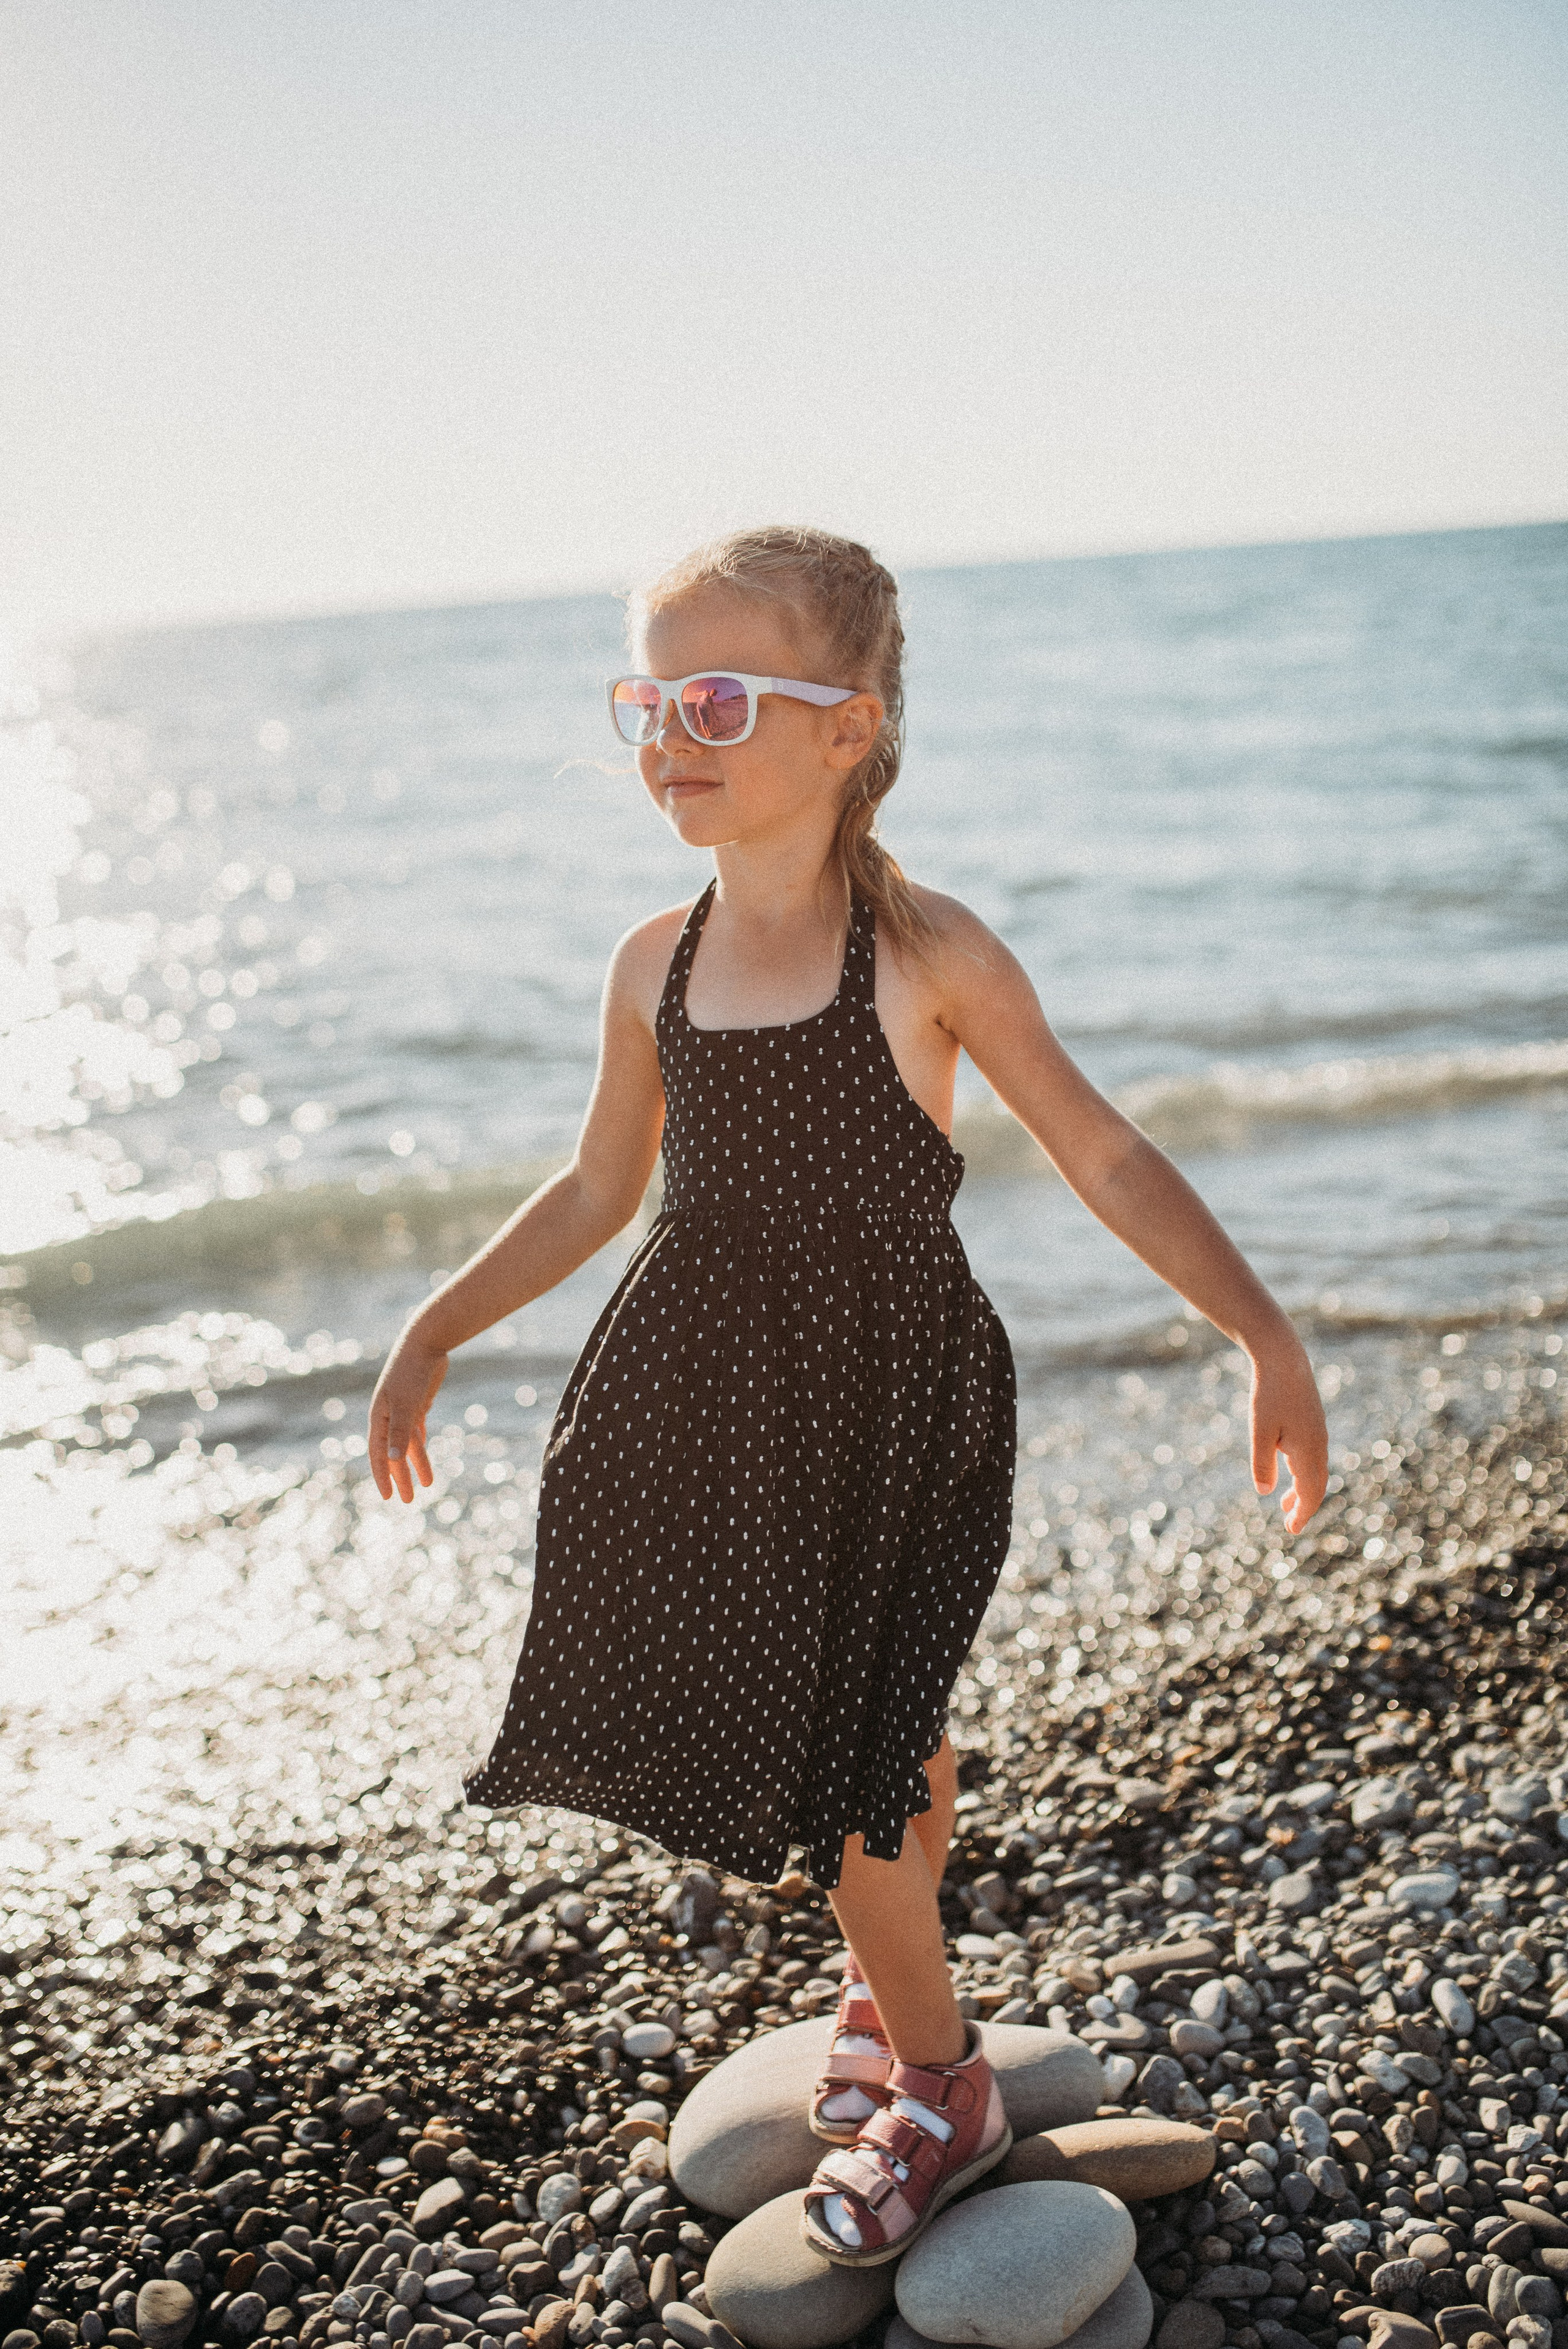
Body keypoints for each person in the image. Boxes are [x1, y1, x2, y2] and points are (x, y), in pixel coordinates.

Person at [367, 525, 1329, 2266]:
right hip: (705, 1415)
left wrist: (1261, 1329)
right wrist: (438, 1320)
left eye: (718, 694)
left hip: (893, 1406)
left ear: (849, 727)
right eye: (647, 697)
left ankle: (946, 2080)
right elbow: (597, 1193)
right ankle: (896, 1987)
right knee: (885, 1736)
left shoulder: (927, 952)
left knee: (846, 1782)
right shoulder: (651, 959)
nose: (670, 730)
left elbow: (1101, 1151)